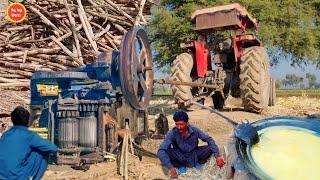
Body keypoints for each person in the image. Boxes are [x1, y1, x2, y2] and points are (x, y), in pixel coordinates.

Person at [157, 110, 225, 178]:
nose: (179, 127)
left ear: (187, 123)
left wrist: (217, 157)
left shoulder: (194, 130)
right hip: (179, 156)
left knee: (210, 148)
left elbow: (209, 139)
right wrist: (171, 168)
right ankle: (180, 166)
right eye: (177, 124)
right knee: (164, 153)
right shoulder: (172, 133)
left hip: (194, 154)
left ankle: (197, 163)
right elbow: (161, 151)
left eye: (181, 124)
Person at [0, 106, 57, 180]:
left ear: (12, 120)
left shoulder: (6, 134)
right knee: (42, 151)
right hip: (17, 176)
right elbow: (52, 148)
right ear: (28, 121)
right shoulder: (29, 135)